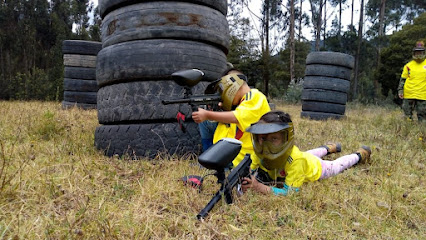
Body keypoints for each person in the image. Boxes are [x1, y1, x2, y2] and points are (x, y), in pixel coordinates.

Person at [241, 110, 372, 196]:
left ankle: (359, 155)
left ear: (287, 138)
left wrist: (259, 187)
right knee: (307, 154)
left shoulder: (296, 160)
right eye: (262, 138)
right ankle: (328, 148)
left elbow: (290, 193)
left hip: (317, 168)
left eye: (274, 139)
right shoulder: (259, 153)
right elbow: (249, 169)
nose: (265, 145)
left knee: (337, 166)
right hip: (305, 157)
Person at [192, 68, 271, 169]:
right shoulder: (242, 102)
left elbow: (237, 117)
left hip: (243, 158)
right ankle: (208, 160)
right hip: (234, 152)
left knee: (208, 119)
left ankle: (211, 163)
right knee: (206, 123)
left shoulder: (255, 96)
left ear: (233, 84)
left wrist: (207, 114)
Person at [398, 41, 426, 122]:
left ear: (423, 52)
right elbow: (403, 79)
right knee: (407, 114)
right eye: (417, 52)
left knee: (423, 115)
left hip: (423, 94)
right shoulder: (408, 65)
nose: (418, 54)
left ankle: (421, 132)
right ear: (414, 53)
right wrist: (400, 90)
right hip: (409, 93)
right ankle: (408, 130)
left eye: (420, 52)